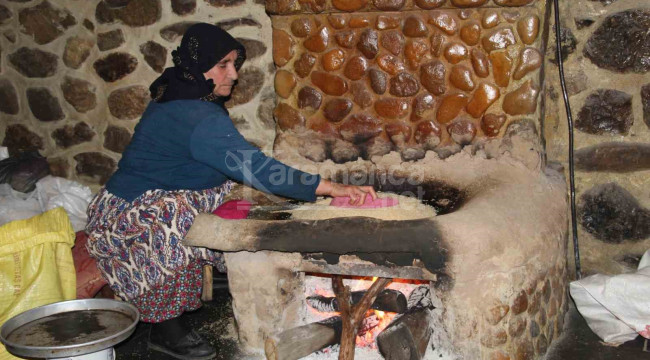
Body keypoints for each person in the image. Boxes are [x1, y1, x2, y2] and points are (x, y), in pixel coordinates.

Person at [85, 23, 376, 360]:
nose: (233, 75)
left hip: (151, 194)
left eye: (234, 64)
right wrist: (334, 189)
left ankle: (216, 280)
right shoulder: (194, 114)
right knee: (175, 215)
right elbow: (262, 171)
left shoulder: (180, 91)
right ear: (197, 65)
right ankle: (166, 330)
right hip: (133, 213)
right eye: (222, 64)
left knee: (229, 204)